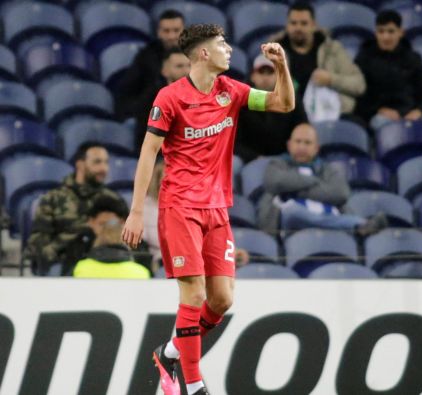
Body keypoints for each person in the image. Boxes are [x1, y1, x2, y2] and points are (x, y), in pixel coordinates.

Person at [121, 23, 295, 395]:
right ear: (203, 53)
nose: (229, 50)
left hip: (217, 208)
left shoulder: (230, 91)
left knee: (222, 299)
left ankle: (169, 351)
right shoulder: (169, 98)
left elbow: (283, 103)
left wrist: (282, 67)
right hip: (180, 206)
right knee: (195, 296)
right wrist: (136, 211)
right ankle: (195, 383)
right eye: (221, 44)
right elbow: (148, 153)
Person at [257, 123, 387, 236]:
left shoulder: (327, 169)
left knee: (330, 215)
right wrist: (313, 180)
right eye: (298, 141)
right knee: (292, 210)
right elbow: (274, 182)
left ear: (316, 148)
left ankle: (329, 222)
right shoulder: (277, 164)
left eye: (307, 143)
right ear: (289, 145)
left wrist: (293, 191)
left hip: (328, 213)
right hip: (291, 221)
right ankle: (357, 224)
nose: (302, 147)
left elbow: (340, 194)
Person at [24, 142, 124, 276]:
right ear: (80, 164)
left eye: (106, 162)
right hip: (61, 266)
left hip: (106, 264)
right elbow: (39, 249)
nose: (104, 168)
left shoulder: (113, 200)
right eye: (97, 162)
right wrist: (80, 232)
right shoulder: (53, 199)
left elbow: (128, 239)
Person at [354, 9, 422, 132]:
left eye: (391, 31)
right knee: (381, 124)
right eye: (381, 31)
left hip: (413, 115)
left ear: (401, 32)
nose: (385, 36)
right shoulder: (364, 59)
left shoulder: (414, 58)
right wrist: (378, 110)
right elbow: (359, 97)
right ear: (375, 33)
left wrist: (419, 111)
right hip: (381, 116)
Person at [273, 1, 365, 121]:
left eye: (304, 23)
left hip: (330, 113)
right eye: (293, 23)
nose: (298, 28)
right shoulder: (274, 52)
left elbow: (359, 84)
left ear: (314, 25)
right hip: (287, 117)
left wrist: (331, 79)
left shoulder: (332, 49)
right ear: (287, 26)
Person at [235, 54, 308, 162]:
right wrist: (255, 158)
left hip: (285, 161)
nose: (265, 77)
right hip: (249, 161)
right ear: (253, 76)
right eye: (261, 72)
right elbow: (233, 143)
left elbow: (303, 130)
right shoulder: (240, 102)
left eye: (270, 72)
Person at [115, 9, 185, 122]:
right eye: (166, 31)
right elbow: (128, 92)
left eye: (176, 30)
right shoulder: (146, 57)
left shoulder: (197, 54)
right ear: (159, 32)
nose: (172, 36)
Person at [129, 47, 191, 151]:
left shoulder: (203, 94)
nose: (186, 71)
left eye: (189, 66)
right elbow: (146, 138)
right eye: (179, 66)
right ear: (165, 71)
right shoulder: (152, 99)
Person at [73, 196, 150, 279]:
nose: (108, 229)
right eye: (102, 224)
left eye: (113, 224)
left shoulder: (138, 244)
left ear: (124, 223)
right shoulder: (78, 246)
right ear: (91, 222)